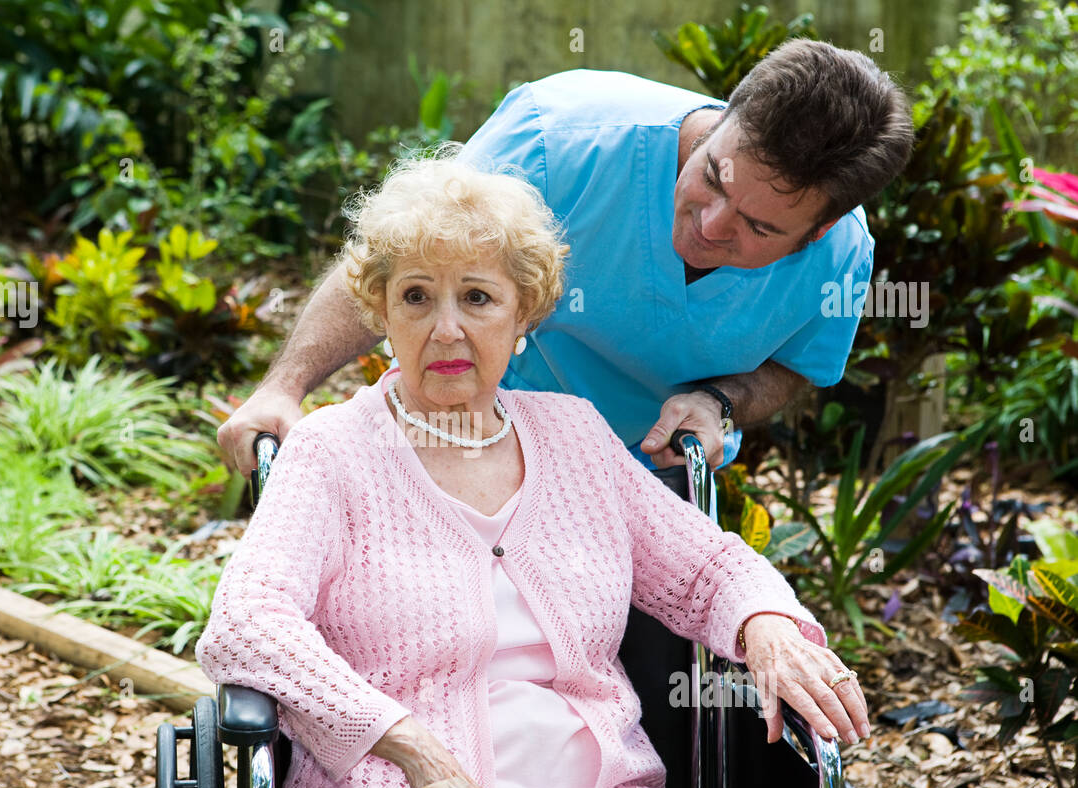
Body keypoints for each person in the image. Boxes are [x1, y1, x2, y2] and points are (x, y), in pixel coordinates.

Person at [195, 156, 870, 788]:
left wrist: (767, 626)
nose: (447, 329)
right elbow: (247, 624)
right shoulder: (331, 454)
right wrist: (410, 746)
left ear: (524, 314)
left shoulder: (574, 436)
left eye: (478, 298)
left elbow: (709, 567)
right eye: (417, 296)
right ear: (382, 311)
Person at [215, 38, 914, 481]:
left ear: (818, 231)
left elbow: (791, 366)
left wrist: (718, 401)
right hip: (460, 435)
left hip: (639, 474)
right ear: (723, 117)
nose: (708, 224)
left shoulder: (841, 258)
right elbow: (400, 255)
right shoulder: (560, 137)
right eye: (715, 176)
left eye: (757, 226)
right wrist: (286, 386)